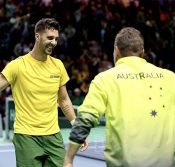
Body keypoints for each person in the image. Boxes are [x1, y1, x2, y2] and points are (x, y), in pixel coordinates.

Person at [64, 27, 175, 167]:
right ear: (143, 52)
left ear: (116, 50)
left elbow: (85, 119)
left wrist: (68, 159)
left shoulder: (104, 80)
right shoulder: (170, 78)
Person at [0, 18, 87, 167]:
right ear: (37, 36)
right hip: (27, 136)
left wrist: (76, 126)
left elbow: (64, 100)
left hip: (53, 136)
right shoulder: (17, 66)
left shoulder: (58, 65)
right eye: (50, 38)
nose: (53, 42)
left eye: (56, 39)